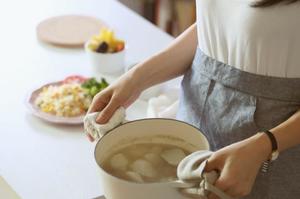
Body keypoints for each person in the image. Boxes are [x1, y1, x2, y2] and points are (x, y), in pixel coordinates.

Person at [87, 0, 300, 198]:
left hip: (266, 153)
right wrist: (136, 79)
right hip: (194, 119)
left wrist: (264, 146)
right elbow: (214, 26)